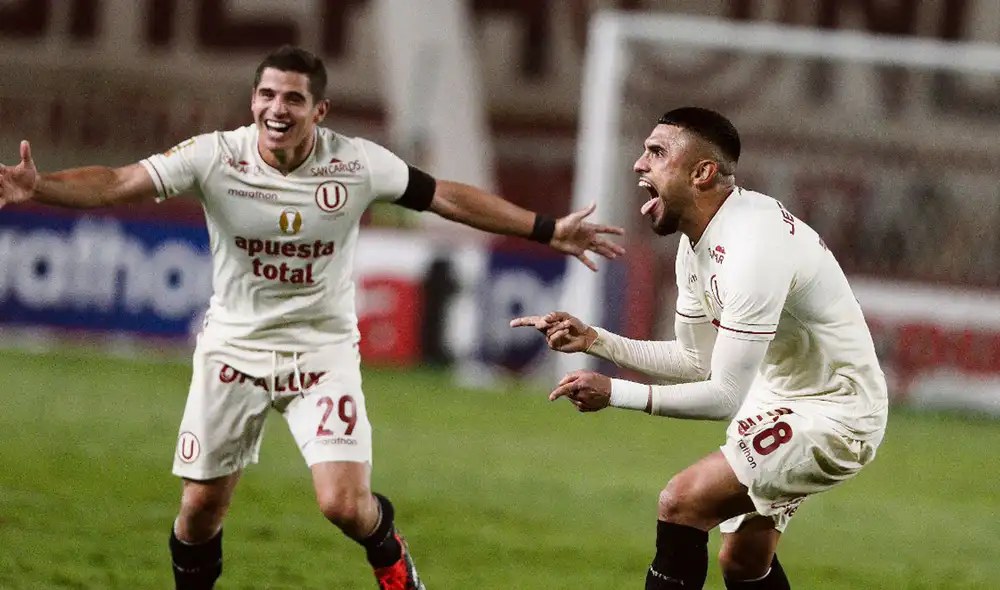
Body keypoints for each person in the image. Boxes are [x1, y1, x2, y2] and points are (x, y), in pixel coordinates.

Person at [0, 46, 625, 590]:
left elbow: (447, 196)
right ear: (252, 101)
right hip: (232, 351)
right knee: (199, 512)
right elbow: (117, 182)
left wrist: (546, 230)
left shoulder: (356, 163)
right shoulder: (216, 156)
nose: (278, 108)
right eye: (267, 94)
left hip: (320, 355)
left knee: (345, 506)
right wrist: (40, 187)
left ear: (318, 111)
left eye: (294, 99)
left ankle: (403, 578)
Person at [511, 107, 887, 590]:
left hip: (837, 414)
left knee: (681, 502)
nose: (638, 164)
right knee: (743, 563)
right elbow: (697, 362)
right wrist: (597, 341)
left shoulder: (753, 248)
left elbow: (724, 396)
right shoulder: (697, 244)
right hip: (780, 401)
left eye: (657, 152)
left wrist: (616, 393)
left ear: (702, 172)